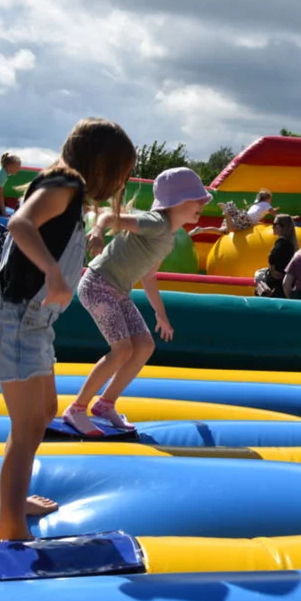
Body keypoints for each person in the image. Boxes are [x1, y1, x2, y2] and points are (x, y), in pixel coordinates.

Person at [0, 117, 136, 541]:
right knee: (28, 427)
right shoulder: (62, 186)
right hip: (16, 322)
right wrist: (54, 273)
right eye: (122, 173)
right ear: (102, 165)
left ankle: (4, 500)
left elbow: (6, 265)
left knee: (47, 413)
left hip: (29, 324)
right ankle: (11, 528)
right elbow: (16, 229)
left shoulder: (68, 197)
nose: (123, 181)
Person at [61, 166, 213, 436]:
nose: (202, 203)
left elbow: (149, 276)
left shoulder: (169, 237)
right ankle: (77, 408)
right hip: (97, 285)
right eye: (196, 198)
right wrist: (96, 231)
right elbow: (109, 216)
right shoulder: (155, 223)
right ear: (176, 202)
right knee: (121, 349)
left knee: (143, 345)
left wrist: (161, 315)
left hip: (117, 290)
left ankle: (105, 405)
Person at [255, 214, 298, 298]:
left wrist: (272, 270)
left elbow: (272, 258)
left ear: (283, 227)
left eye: (275, 224)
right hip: (284, 282)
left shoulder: (281, 242)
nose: (272, 227)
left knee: (258, 275)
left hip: (275, 283)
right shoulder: (291, 243)